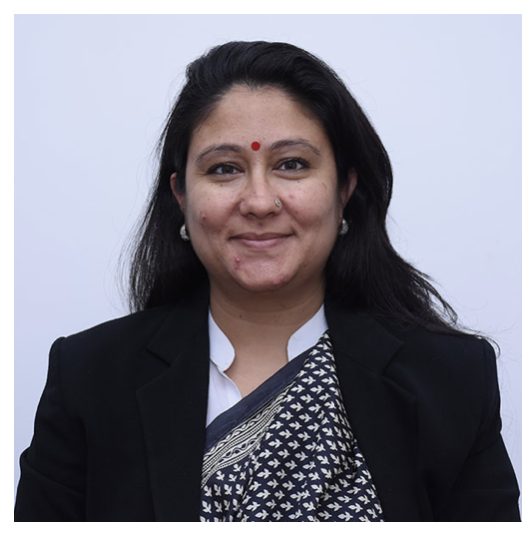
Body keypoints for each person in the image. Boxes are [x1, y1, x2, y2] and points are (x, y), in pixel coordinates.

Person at [15, 41, 520, 522]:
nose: (259, 201)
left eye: (292, 164)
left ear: (344, 189)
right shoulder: (90, 381)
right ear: (181, 197)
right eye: (224, 169)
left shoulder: (450, 383)